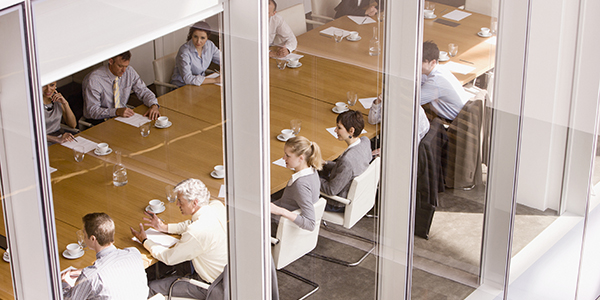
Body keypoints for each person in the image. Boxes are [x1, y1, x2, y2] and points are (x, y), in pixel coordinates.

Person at [130, 178, 227, 299]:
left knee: (153, 287)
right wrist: (164, 227)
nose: (177, 204)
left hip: (209, 284)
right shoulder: (217, 206)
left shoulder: (195, 232)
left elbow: (169, 257)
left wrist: (145, 241)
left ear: (194, 203)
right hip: (226, 276)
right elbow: (191, 224)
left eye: (181, 201)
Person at [62, 213, 148, 299]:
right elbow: (113, 270)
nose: (84, 238)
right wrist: (83, 273)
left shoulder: (90, 276)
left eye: (84, 234)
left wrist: (65, 282)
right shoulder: (133, 252)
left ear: (92, 239)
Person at [82, 51, 160, 122]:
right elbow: (92, 111)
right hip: (100, 120)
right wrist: (116, 112)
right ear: (111, 61)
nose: (124, 70)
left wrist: (154, 105)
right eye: (120, 66)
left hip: (122, 117)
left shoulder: (129, 71)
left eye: (126, 66)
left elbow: (143, 91)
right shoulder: (94, 79)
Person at [320, 110, 372, 211]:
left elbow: (331, 190)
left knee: (301, 185)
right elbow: (348, 169)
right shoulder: (365, 142)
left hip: (337, 203)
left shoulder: (347, 161)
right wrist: (325, 163)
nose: (335, 130)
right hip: (357, 196)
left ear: (351, 131)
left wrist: (310, 177)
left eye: (339, 128)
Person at [271, 136, 324, 235]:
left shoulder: (300, 184)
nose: (283, 158)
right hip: (284, 214)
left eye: (288, 156)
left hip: (281, 226)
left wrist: (280, 211)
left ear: (301, 158)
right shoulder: (312, 170)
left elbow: (310, 224)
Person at [420, 40, 470, 121]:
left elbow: (415, 101)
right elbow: (421, 79)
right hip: (462, 112)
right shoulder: (440, 69)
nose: (417, 64)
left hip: (455, 122)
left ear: (433, 62)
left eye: (422, 62)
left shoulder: (436, 81)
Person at [171, 22, 221, 87]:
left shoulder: (210, 45)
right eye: (195, 37)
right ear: (191, 35)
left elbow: (224, 60)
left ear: (207, 37)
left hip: (199, 85)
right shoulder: (184, 51)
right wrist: (215, 80)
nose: (198, 41)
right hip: (182, 87)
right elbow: (188, 79)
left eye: (202, 38)